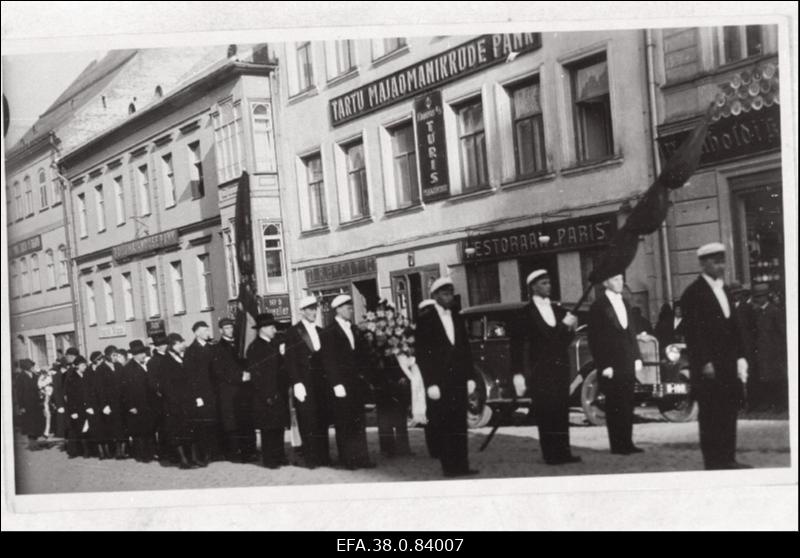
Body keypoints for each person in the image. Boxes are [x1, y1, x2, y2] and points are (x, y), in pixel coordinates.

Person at [680, 242, 751, 470]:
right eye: (714, 262)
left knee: (729, 410)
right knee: (711, 413)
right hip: (708, 365)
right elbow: (693, 333)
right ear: (703, 264)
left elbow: (734, 327)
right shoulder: (693, 293)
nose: (720, 266)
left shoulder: (726, 290)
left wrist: (741, 356)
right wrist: (704, 362)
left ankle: (728, 457)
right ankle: (713, 461)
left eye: (722, 261)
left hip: (729, 362)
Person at [416, 277, 478, 478]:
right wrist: (430, 383)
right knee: (445, 424)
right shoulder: (426, 320)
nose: (448, 296)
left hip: (459, 380)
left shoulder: (458, 318)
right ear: (434, 296)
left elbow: (465, 350)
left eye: (451, 292)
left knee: (460, 423)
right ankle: (449, 467)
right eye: (444, 293)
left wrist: (470, 377)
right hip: (440, 383)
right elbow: (423, 355)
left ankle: (462, 465)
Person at [523, 270, 581, 465]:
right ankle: (550, 453)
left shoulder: (558, 310)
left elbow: (561, 342)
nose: (549, 286)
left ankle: (564, 451)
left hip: (559, 369)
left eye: (549, 282)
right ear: (533, 287)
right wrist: (521, 374)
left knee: (561, 411)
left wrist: (570, 329)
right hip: (540, 371)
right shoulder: (526, 313)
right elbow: (522, 345)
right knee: (546, 412)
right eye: (544, 283)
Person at [587, 273, 644, 455]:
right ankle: (617, 445)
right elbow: (595, 339)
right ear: (606, 282)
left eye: (621, 279)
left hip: (627, 360)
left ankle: (627, 442)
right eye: (615, 279)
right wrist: (604, 365)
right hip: (611, 363)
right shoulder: (598, 306)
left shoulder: (625, 303)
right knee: (614, 404)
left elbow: (631, 333)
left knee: (628, 402)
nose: (620, 283)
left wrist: (637, 357)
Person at [321, 295, 375, 470]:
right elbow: (328, 360)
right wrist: (336, 383)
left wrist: (365, 376)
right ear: (338, 310)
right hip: (341, 385)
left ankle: (362, 457)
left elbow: (362, 355)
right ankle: (348, 458)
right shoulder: (329, 332)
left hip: (355, 383)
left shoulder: (354, 329)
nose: (350, 310)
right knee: (344, 422)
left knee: (359, 421)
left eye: (351, 307)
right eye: (346, 307)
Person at [285, 295, 332, 468]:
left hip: (321, 383)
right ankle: (311, 458)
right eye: (310, 309)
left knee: (322, 419)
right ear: (302, 311)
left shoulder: (321, 330)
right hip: (304, 383)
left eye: (315, 309)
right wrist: (296, 382)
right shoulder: (293, 332)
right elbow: (290, 360)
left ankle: (324, 456)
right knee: (307, 420)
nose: (314, 312)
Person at [247, 313, 290, 468]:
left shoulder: (273, 344)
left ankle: (279, 456)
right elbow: (256, 376)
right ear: (263, 329)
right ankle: (270, 459)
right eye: (272, 327)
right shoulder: (254, 348)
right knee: (268, 429)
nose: (274, 329)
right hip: (265, 396)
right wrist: (266, 395)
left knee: (278, 426)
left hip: (279, 392)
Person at [213, 317, 257, 463]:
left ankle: (250, 451)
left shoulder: (240, 344)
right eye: (226, 328)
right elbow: (220, 372)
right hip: (230, 391)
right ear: (220, 330)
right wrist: (239, 377)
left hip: (243, 390)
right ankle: (236, 453)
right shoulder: (218, 348)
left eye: (231, 327)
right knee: (233, 424)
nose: (230, 330)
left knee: (246, 420)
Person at [370, 331, 413, 458]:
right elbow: (375, 369)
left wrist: (403, 377)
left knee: (400, 418)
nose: (382, 337)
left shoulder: (395, 349)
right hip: (383, 387)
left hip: (396, 386)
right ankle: (388, 449)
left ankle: (402, 448)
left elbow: (401, 365)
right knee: (384, 420)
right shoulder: (374, 351)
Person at [160, 333, 198, 469]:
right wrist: (175, 401)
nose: (183, 345)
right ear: (174, 344)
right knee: (178, 432)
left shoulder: (184, 357)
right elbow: (166, 385)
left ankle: (192, 458)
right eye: (181, 342)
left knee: (190, 430)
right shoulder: (165, 361)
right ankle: (183, 460)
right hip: (174, 404)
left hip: (187, 402)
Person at [183, 321, 219, 466]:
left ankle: (214, 452)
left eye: (207, 330)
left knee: (213, 423)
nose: (207, 333)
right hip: (201, 394)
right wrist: (196, 396)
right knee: (203, 426)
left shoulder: (211, 348)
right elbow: (190, 376)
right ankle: (204, 454)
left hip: (213, 392)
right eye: (204, 330)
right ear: (197, 333)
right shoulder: (191, 351)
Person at [750, 283, 787, 412]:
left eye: (761, 297)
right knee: (765, 378)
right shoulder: (757, 312)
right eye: (757, 297)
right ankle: (770, 403)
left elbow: (782, 332)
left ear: (766, 297)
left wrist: (780, 350)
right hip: (762, 351)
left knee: (776, 378)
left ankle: (780, 404)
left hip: (773, 351)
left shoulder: (774, 311)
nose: (759, 299)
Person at [121, 340, 158, 462]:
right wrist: (130, 405)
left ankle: (151, 452)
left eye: (144, 353)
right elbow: (125, 390)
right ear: (135, 354)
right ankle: (141, 455)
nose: (144, 355)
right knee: (139, 431)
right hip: (137, 405)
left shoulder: (145, 365)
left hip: (149, 403)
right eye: (141, 353)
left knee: (149, 429)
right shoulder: (128, 369)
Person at [92, 348, 126, 460]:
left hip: (120, 401)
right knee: (113, 426)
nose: (116, 357)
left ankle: (122, 450)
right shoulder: (100, 370)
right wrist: (104, 405)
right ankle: (115, 450)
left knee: (122, 426)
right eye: (114, 355)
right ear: (107, 356)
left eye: (117, 355)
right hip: (109, 403)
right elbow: (99, 389)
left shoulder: (119, 367)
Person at [64, 356, 95, 458]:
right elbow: (70, 396)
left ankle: (88, 450)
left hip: (88, 407)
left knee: (87, 429)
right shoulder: (71, 378)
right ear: (77, 366)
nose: (85, 366)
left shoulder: (87, 376)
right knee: (79, 430)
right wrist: (73, 411)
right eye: (82, 365)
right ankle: (78, 451)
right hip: (77, 408)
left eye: (85, 364)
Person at [146, 333, 169, 460]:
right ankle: (163, 451)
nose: (165, 346)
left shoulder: (168, 357)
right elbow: (152, 382)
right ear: (158, 347)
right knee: (163, 426)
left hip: (170, 397)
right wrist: (161, 391)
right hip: (161, 399)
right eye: (163, 344)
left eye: (166, 344)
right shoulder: (153, 361)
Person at [15, 359, 46, 449]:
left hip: (36, 404)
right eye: (31, 366)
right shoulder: (20, 377)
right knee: (30, 425)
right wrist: (21, 406)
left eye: (33, 366)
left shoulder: (35, 376)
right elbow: (19, 393)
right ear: (26, 367)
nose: (33, 368)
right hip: (27, 405)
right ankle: (32, 445)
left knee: (37, 424)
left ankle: (35, 443)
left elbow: (39, 386)